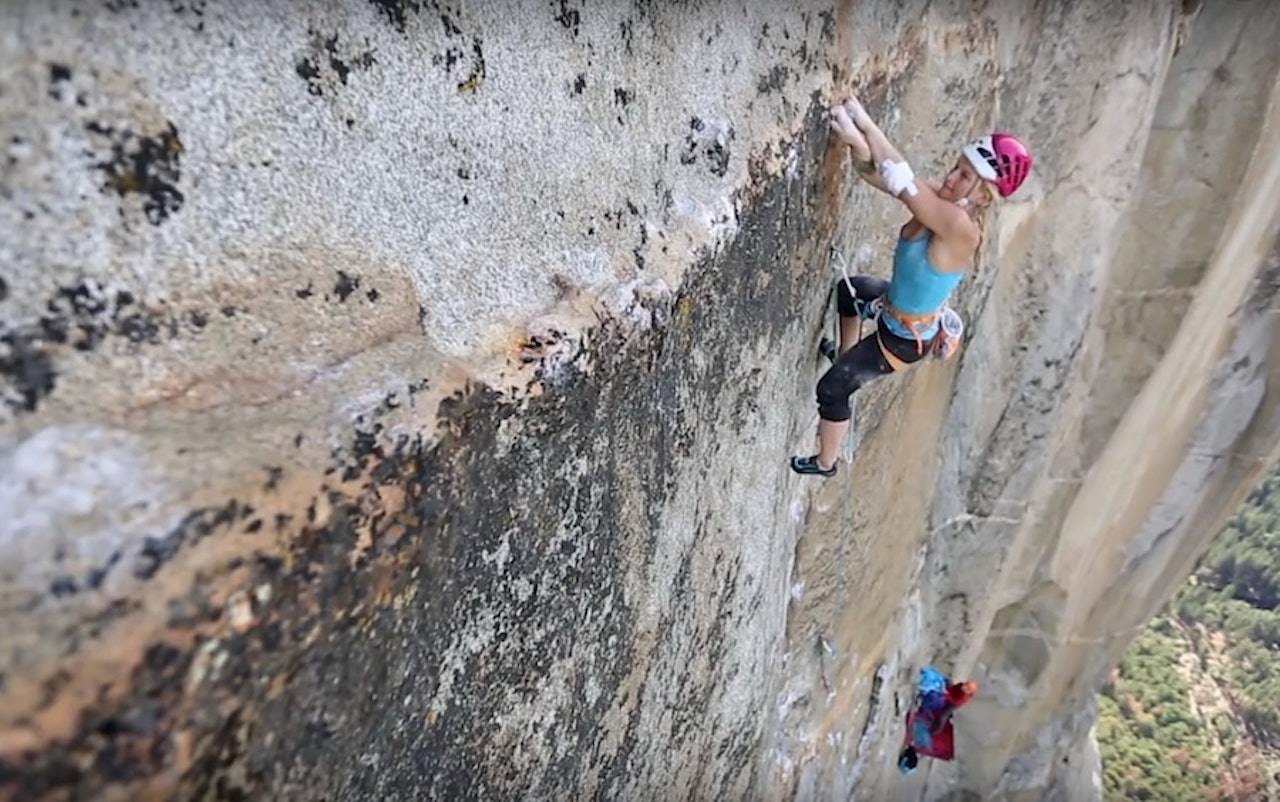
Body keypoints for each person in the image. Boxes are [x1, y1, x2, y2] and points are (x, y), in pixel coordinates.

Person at [790, 96, 1033, 477]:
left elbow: (899, 177)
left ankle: (826, 462)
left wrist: (865, 125)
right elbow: (879, 174)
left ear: (985, 195)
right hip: (894, 309)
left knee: (832, 390)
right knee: (849, 291)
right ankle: (846, 352)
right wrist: (855, 143)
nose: (952, 178)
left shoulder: (960, 228)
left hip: (903, 340)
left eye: (965, 176)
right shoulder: (946, 200)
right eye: (956, 168)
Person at [897, 666, 979, 775]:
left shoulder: (960, 699)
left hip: (936, 708)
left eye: (967, 688)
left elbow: (945, 713)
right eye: (966, 684)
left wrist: (938, 726)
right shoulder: (959, 690)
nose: (964, 686)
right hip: (935, 708)